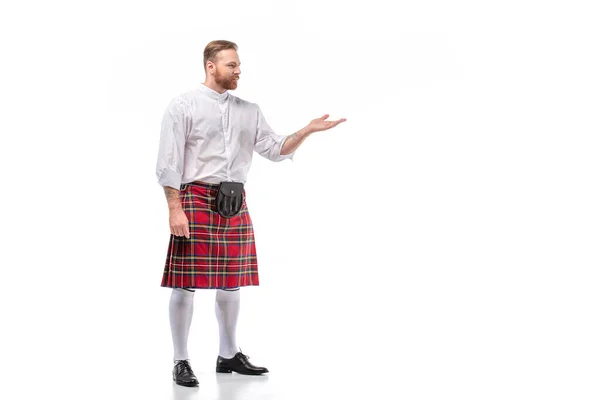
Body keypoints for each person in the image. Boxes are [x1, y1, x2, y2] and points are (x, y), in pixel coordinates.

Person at [155, 40, 346, 387]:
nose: (238, 70)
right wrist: (174, 208)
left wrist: (306, 131)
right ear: (210, 66)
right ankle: (180, 360)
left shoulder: (249, 109)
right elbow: (168, 163)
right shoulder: (183, 105)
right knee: (184, 285)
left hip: (234, 202)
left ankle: (228, 355)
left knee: (231, 284)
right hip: (195, 199)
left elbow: (274, 149)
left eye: (239, 64)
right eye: (231, 65)